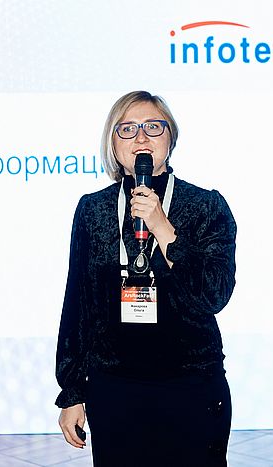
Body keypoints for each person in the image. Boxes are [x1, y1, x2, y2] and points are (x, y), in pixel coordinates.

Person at [55, 90, 236, 466]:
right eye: (127, 128)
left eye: (153, 127)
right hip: (114, 387)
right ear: (113, 144)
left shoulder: (206, 206)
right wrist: (72, 391)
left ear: (171, 137)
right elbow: (78, 306)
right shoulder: (92, 210)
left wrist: (161, 226)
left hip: (192, 385)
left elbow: (214, 294)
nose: (141, 137)